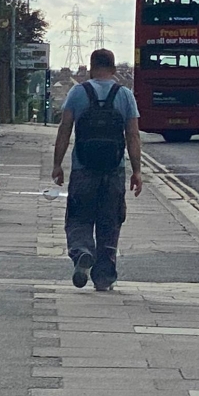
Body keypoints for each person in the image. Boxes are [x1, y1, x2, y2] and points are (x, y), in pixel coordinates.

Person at [52, 49, 142, 291]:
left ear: (91, 67)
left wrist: (57, 164)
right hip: (114, 170)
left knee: (78, 217)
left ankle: (81, 251)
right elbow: (133, 136)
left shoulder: (78, 92)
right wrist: (137, 171)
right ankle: (103, 278)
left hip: (83, 168)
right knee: (110, 222)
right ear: (113, 69)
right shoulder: (124, 95)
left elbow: (65, 129)